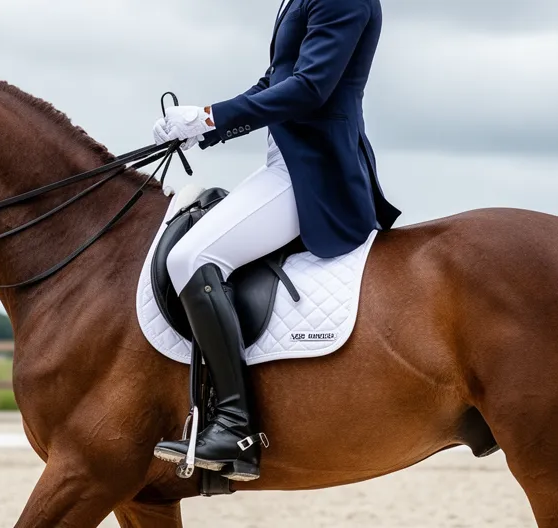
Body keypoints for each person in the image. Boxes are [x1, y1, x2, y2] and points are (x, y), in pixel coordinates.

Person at [151, 0, 401, 482]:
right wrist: (202, 127)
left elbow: (309, 88)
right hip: (284, 164)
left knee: (191, 258)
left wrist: (211, 117)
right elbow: (275, 79)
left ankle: (234, 426)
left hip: (314, 175)